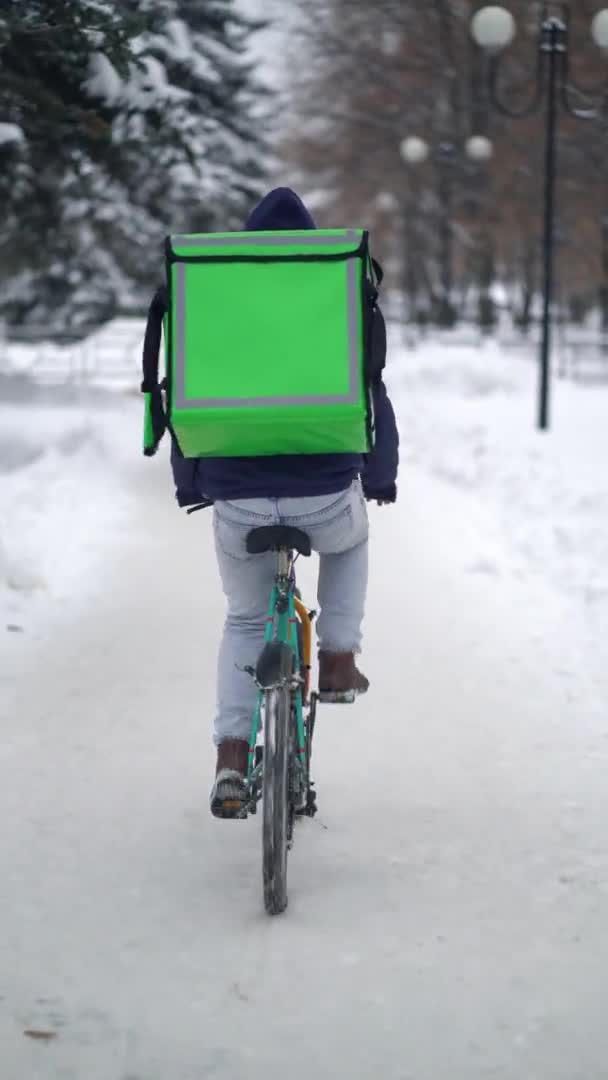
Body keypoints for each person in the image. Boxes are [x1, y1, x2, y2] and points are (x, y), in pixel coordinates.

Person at [151, 187, 399, 817]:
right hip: (325, 483)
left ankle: (232, 757)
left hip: (238, 495)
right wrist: (379, 479)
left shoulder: (218, 300)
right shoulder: (334, 292)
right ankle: (339, 657)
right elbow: (373, 392)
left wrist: (193, 485)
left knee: (243, 619)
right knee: (351, 536)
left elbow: (179, 394)